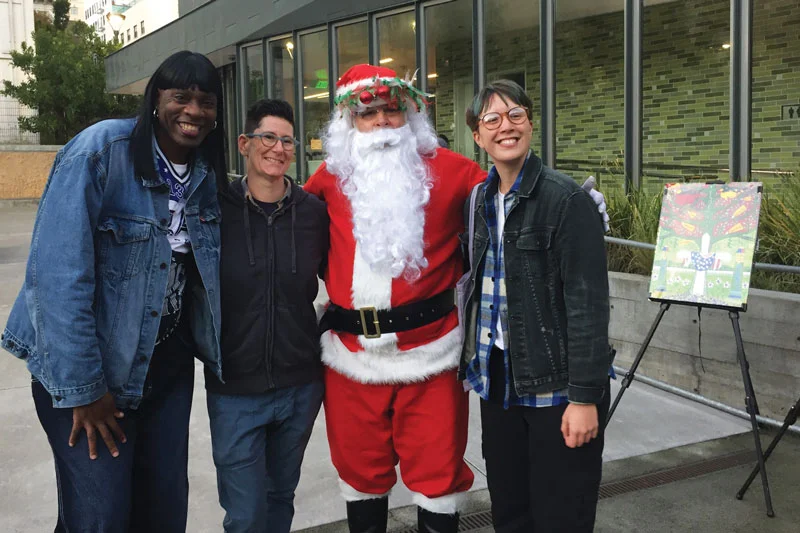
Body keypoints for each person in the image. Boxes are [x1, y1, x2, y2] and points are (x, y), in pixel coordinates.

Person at [1, 51, 227, 532]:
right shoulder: (101, 151)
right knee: (100, 518)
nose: (193, 111)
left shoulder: (206, 174)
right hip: (93, 372)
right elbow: (57, 278)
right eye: (181, 97)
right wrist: (84, 390)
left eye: (206, 101)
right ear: (155, 99)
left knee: (163, 513)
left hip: (166, 370)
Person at [304, 64, 485, 533]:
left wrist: (567, 206)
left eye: (392, 110)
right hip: (351, 358)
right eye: (368, 114)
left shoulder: (454, 172)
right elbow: (282, 225)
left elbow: (508, 200)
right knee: (359, 474)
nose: (382, 121)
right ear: (349, 123)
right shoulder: (326, 181)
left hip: (431, 354)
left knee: (439, 474)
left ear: (410, 116)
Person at [459, 79, 611, 533]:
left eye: (515, 115)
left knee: (561, 516)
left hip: (557, 388)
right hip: (498, 381)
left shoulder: (566, 200)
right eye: (492, 119)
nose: (505, 126)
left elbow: (588, 306)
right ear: (478, 136)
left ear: (530, 123)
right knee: (510, 512)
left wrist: (584, 397)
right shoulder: (479, 200)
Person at [205, 99, 328, 533]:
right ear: (244, 144)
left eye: (287, 141)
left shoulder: (314, 213)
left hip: (300, 386)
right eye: (268, 137)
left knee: (280, 498)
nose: (278, 148)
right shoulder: (214, 212)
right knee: (245, 515)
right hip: (235, 390)